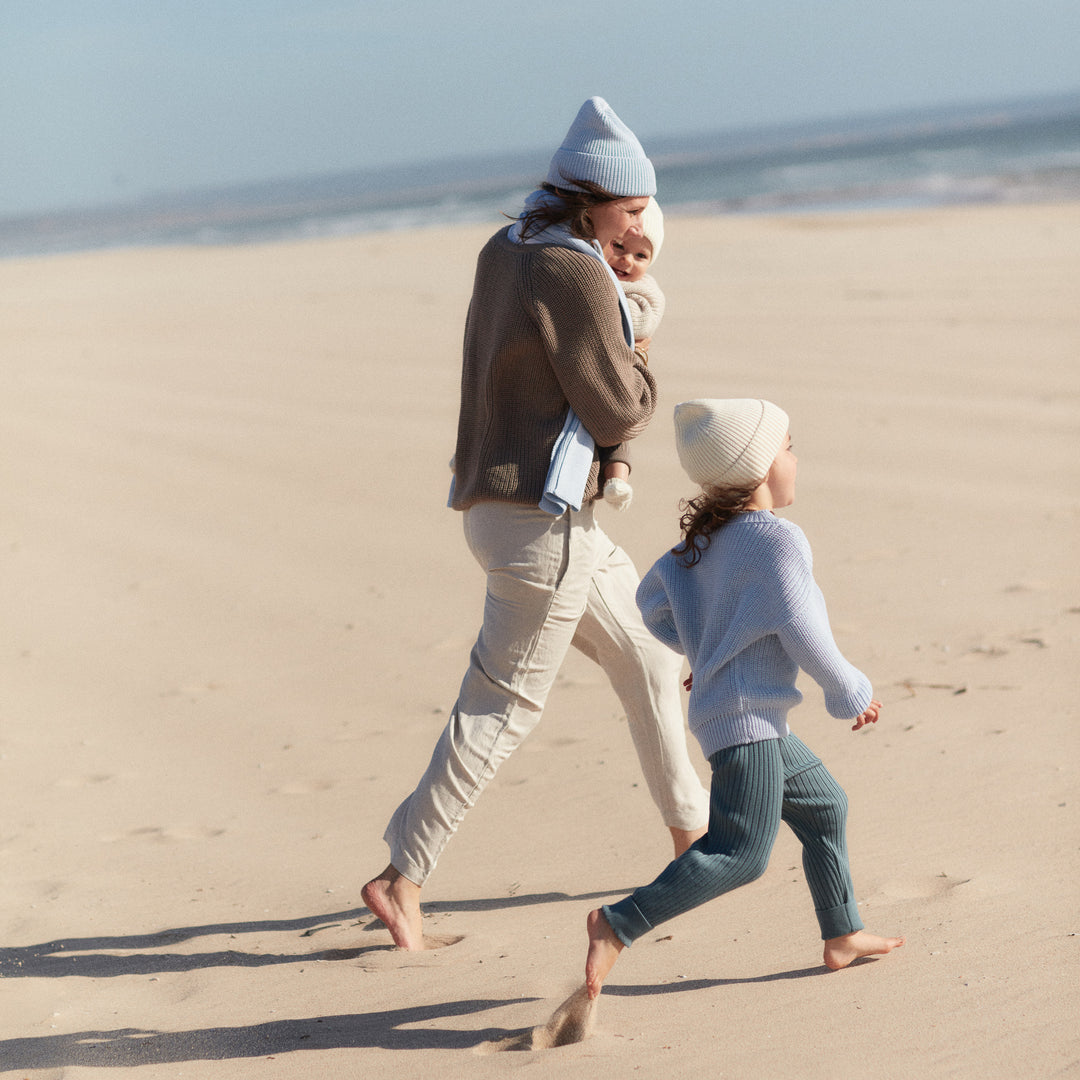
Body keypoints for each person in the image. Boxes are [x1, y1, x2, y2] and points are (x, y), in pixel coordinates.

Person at [363, 98, 709, 951]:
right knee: (504, 704)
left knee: (652, 659)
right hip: (542, 521)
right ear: (591, 199)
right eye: (631, 211)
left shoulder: (506, 245)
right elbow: (617, 402)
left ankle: (692, 839)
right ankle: (402, 877)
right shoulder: (575, 270)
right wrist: (643, 337)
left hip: (505, 505)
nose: (638, 229)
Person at [584, 398, 904, 998]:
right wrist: (850, 691)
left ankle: (842, 933)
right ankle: (617, 923)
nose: (795, 459)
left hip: (746, 714)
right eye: (787, 448)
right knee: (741, 853)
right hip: (743, 721)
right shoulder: (776, 541)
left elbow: (652, 599)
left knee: (825, 806)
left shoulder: (706, 541)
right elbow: (802, 626)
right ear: (758, 467)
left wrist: (704, 650)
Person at [600, 196, 666, 513]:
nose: (627, 261)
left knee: (620, 424)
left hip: (625, 367)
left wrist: (611, 304)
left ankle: (618, 478)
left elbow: (643, 320)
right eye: (620, 248)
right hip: (601, 363)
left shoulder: (645, 289)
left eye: (641, 255)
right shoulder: (596, 277)